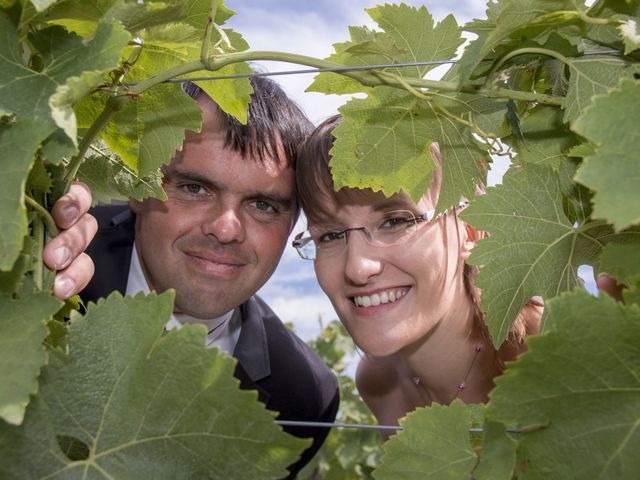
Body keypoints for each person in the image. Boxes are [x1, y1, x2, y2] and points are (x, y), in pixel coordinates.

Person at [79, 78, 339, 477]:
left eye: (264, 205)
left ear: (292, 227)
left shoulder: (302, 397)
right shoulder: (42, 258)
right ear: (138, 186)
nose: (225, 228)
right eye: (196, 188)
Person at [293, 115, 542, 438]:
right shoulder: (381, 387)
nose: (357, 267)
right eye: (329, 235)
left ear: (470, 232)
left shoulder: (553, 350)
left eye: (396, 221)